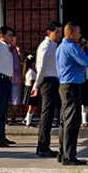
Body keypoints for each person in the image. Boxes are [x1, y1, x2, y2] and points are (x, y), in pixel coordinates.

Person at [54, 23, 88, 165]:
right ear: (71, 33)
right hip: (72, 86)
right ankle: (69, 157)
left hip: (64, 85)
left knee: (65, 121)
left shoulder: (61, 47)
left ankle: (62, 153)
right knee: (72, 121)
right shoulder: (71, 47)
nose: (80, 35)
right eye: (78, 33)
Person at [33, 23, 62, 157]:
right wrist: (36, 86)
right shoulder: (45, 46)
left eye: (60, 32)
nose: (59, 35)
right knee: (46, 115)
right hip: (47, 82)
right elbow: (41, 68)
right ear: (49, 32)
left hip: (54, 81)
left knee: (50, 116)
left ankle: (45, 145)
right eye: (57, 32)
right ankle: (42, 146)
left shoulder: (54, 46)